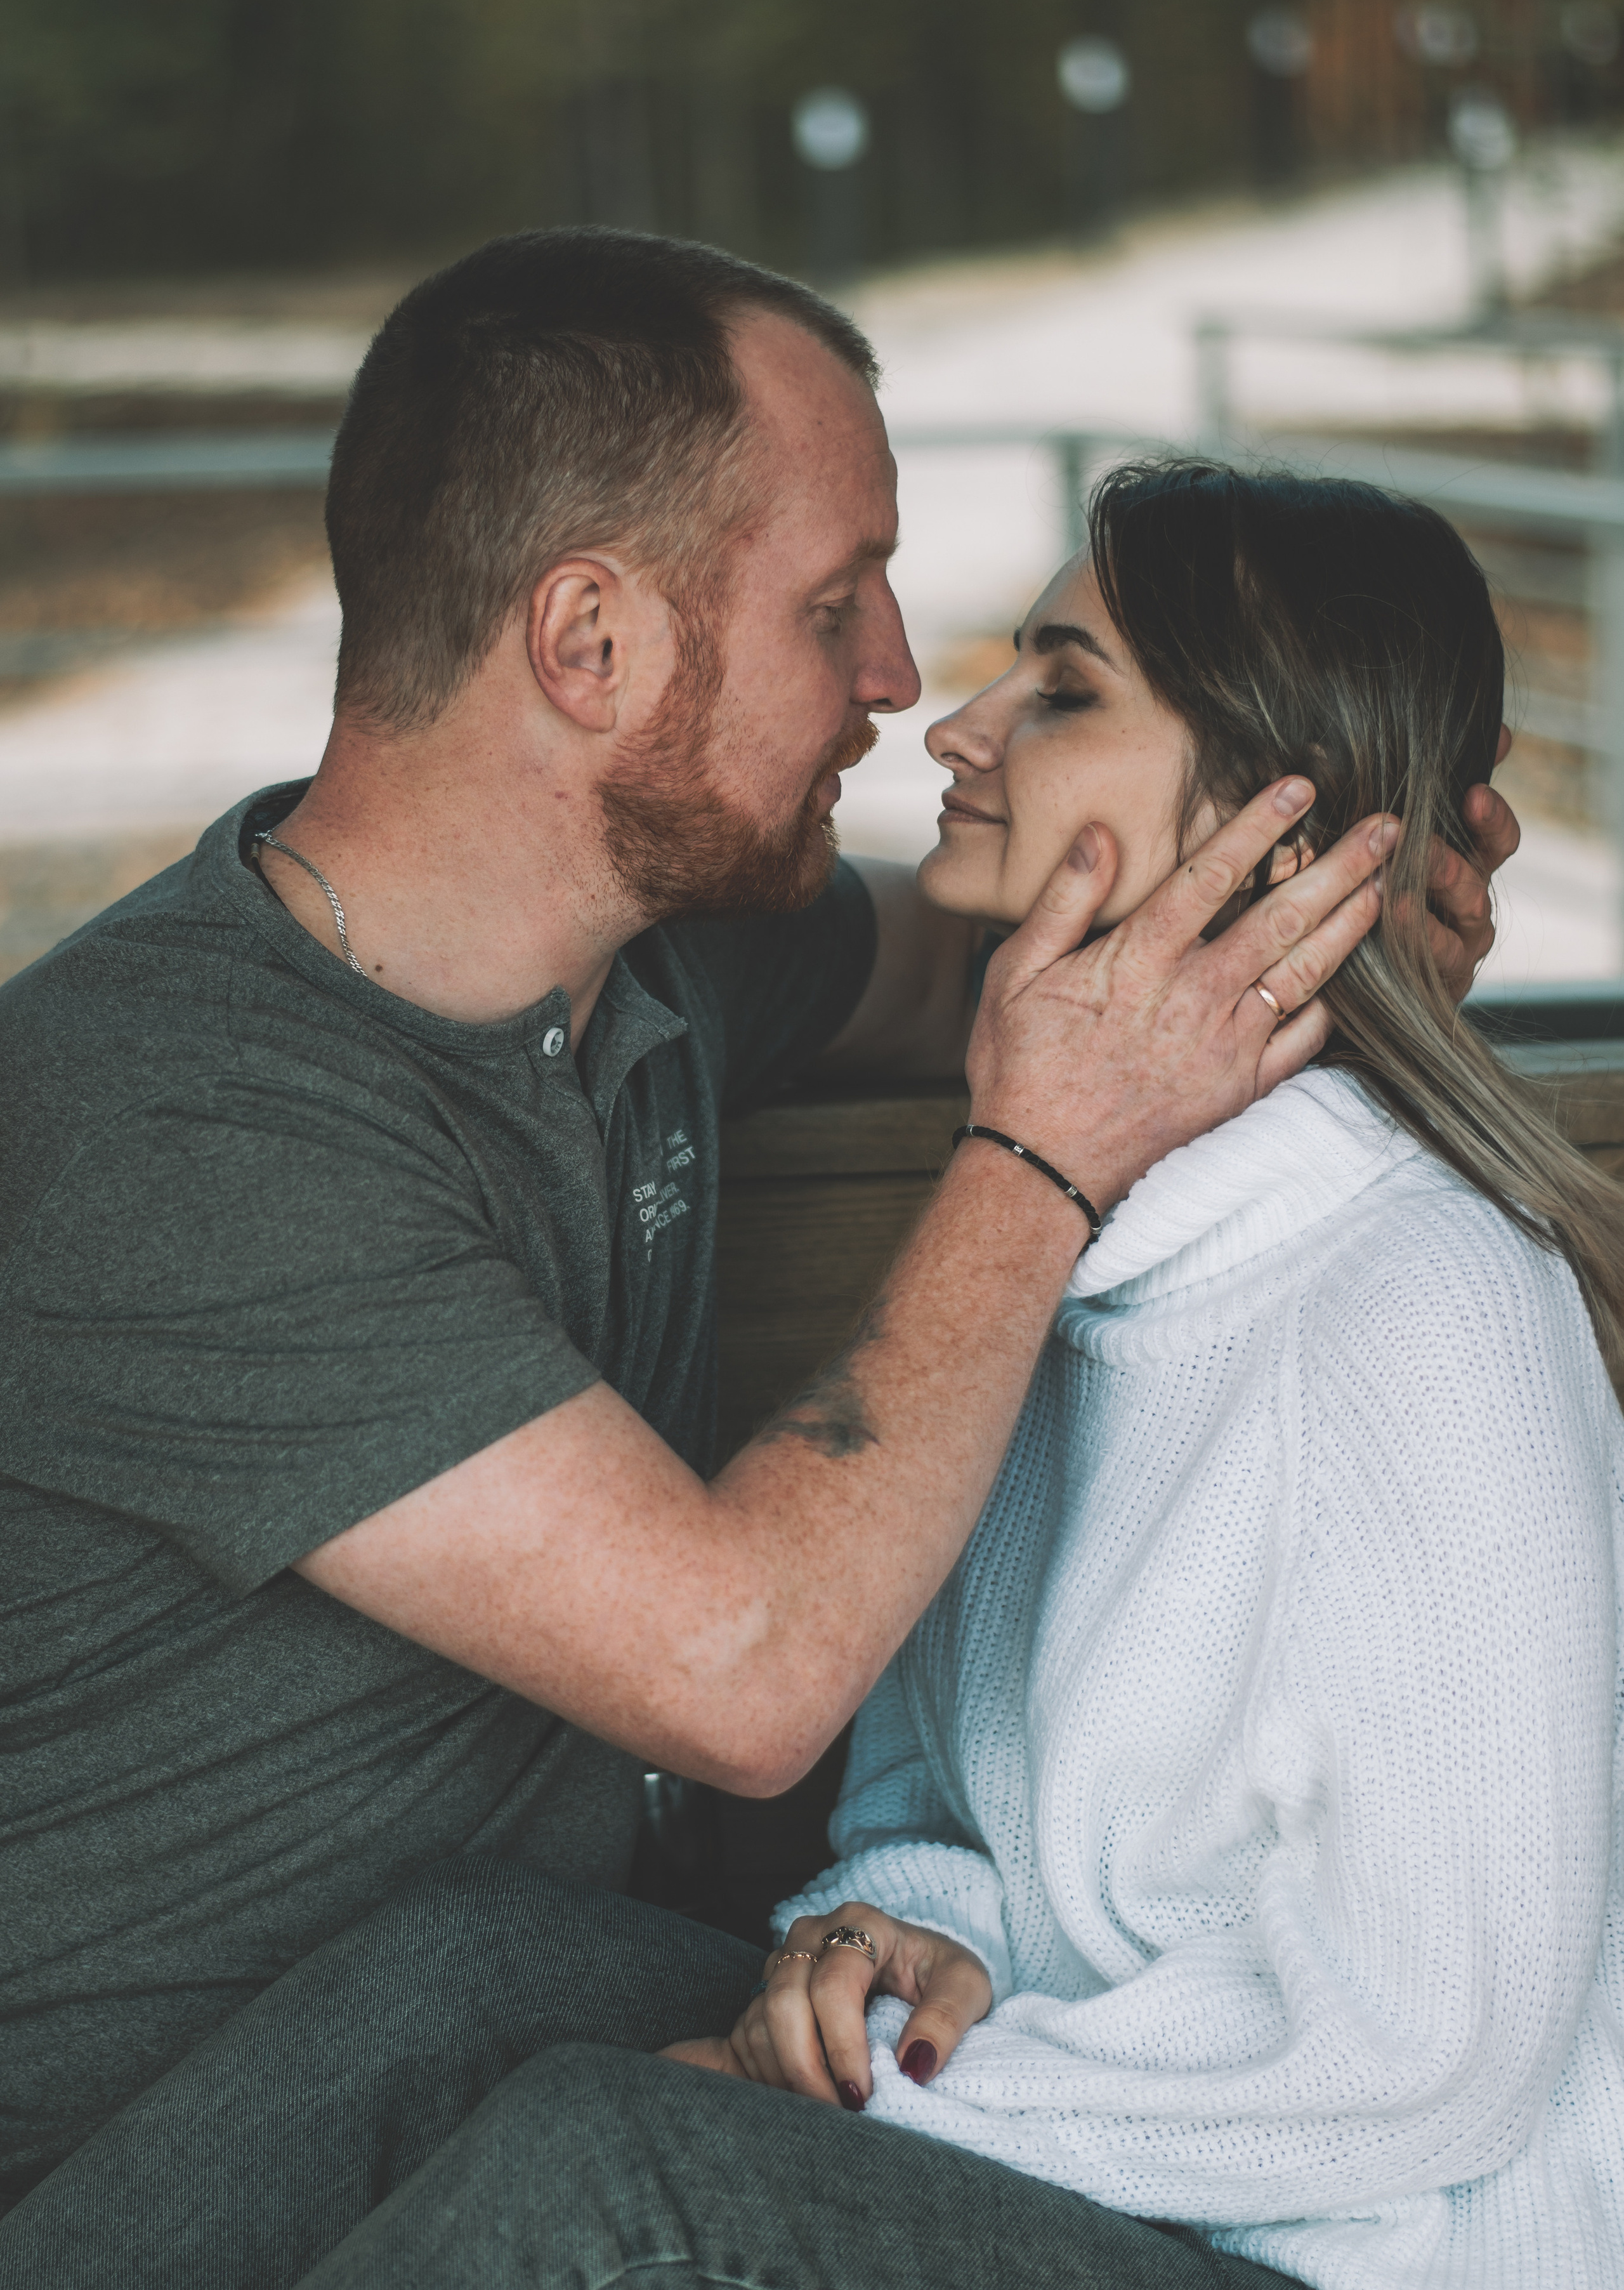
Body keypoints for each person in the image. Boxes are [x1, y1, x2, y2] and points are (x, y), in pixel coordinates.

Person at [0, 238, 1512, 2287]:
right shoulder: (172, 1111)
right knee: (547, 2094)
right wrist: (1037, 1159)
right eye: (833, 601)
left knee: (490, 1990)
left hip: (477, 2018)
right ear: (590, 642)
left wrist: (1359, 895)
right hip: (145, 2170)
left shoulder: (675, 963)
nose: (900, 677)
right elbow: (746, 1669)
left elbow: (1001, 956)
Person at [660, 463, 1624, 2290]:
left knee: (602, 2161)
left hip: (1383, 2256)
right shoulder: (1050, 1267)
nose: (960, 722)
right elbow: (931, 1820)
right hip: (1103, 2186)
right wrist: (886, 1949)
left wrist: (908, 2103)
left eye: (1066, 686)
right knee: (476, 2007)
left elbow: (1438, 2061)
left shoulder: (1425, 1310)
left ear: (1280, 830)